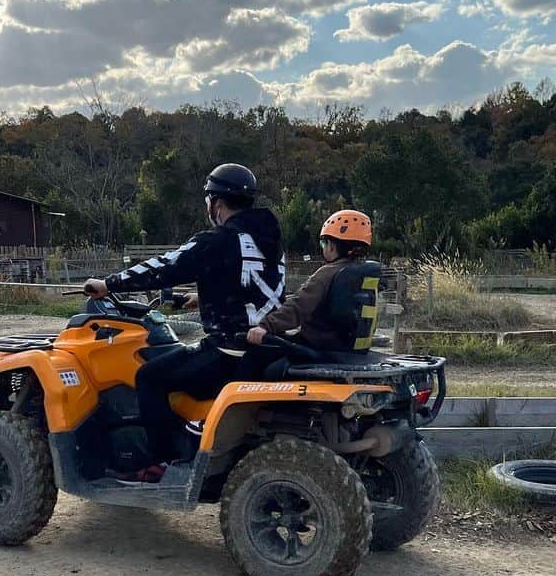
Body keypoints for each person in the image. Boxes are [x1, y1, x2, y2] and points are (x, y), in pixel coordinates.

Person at [84, 164, 284, 483]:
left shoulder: (218, 240)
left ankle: (163, 462)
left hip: (228, 352)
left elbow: (166, 265)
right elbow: (251, 288)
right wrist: (202, 297)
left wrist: (109, 284)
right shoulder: (269, 242)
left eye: (208, 200)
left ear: (215, 203)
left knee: (149, 376)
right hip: (265, 347)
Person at [247, 210, 379, 356]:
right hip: (348, 350)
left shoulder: (327, 273)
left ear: (332, 246)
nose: (323, 247)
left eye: (323, 243)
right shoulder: (363, 273)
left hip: (319, 348)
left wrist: (266, 326)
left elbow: (299, 305)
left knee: (256, 359)